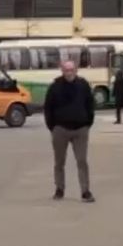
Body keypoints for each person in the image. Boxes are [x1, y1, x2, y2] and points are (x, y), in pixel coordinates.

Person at [43, 60, 95, 203]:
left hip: (80, 130)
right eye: (66, 70)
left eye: (71, 70)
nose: (69, 73)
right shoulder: (55, 87)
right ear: (62, 71)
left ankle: (85, 191)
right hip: (60, 129)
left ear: (76, 70)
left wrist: (88, 123)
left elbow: (90, 104)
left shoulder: (83, 85)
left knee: (82, 161)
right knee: (59, 162)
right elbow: (48, 108)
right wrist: (52, 127)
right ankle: (59, 189)